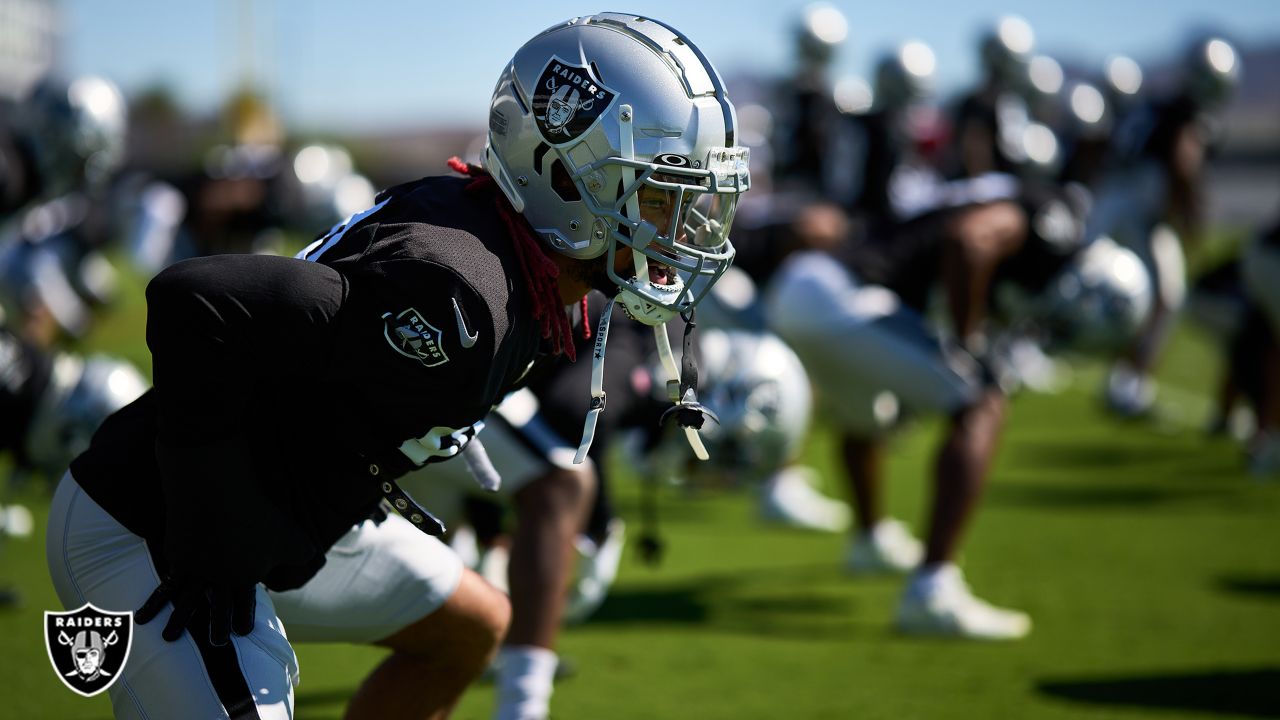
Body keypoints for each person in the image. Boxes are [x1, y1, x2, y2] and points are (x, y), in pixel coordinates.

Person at [45, 13, 750, 719]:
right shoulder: (457, 291)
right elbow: (196, 302)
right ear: (562, 175)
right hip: (157, 527)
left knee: (466, 631)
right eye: (659, 196)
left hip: (293, 520)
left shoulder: (534, 275)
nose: (682, 228)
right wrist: (209, 538)